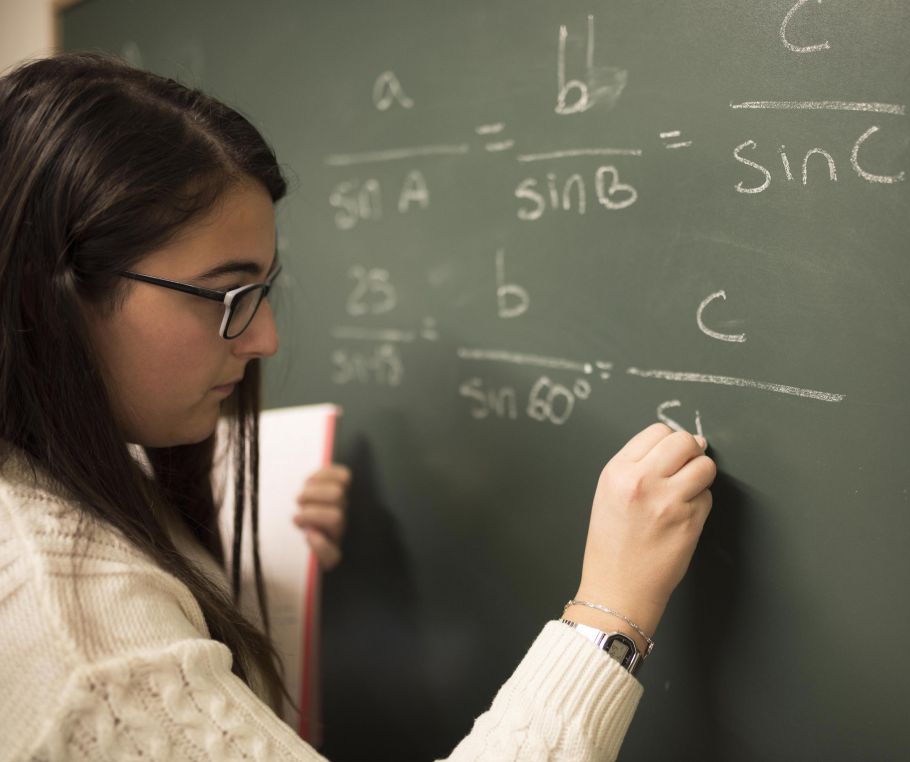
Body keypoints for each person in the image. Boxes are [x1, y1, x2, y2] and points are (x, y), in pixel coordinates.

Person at [0, 53, 717, 761]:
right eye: (227, 296)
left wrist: (263, 564)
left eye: (264, 291)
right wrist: (609, 615)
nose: (266, 338)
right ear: (52, 294)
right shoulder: (83, 641)